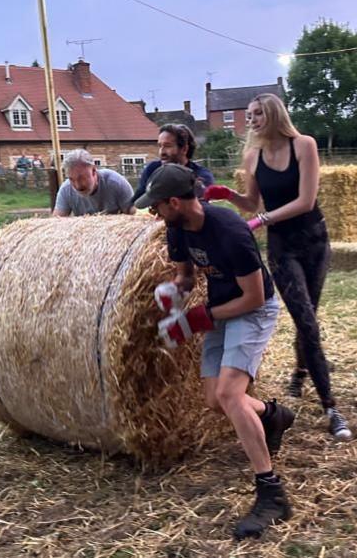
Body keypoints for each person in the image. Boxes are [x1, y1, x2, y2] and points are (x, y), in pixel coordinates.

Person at [135, 163, 294, 540]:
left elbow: (254, 296)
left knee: (229, 393)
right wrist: (175, 291)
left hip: (253, 310)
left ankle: (272, 494)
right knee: (213, 399)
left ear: (175, 201)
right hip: (222, 309)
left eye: (156, 206)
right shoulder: (175, 228)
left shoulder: (230, 231)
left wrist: (196, 320)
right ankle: (273, 415)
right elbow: (187, 274)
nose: (152, 213)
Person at [202, 93, 352, 441]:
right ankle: (331, 407)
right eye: (250, 114)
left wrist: (261, 220)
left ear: (274, 115)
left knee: (308, 318)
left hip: (314, 240)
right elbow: (252, 203)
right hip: (282, 248)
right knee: (306, 322)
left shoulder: (304, 146)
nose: (252, 119)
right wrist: (230, 196)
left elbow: (306, 201)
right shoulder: (252, 155)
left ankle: (300, 371)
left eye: (258, 114)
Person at [131, 124, 215, 204]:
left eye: (167, 146)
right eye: (160, 146)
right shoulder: (152, 169)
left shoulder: (202, 176)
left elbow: (197, 208)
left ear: (184, 149)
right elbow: (135, 202)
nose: (162, 152)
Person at [52, 149, 135, 217]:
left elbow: (134, 214)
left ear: (94, 171)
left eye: (82, 178)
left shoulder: (116, 183)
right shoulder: (66, 189)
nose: (78, 186)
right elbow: (57, 223)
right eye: (71, 179)